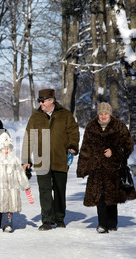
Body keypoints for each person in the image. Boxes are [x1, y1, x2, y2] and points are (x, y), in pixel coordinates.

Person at [21, 88, 80, 230]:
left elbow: (73, 131)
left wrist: (72, 145)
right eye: (39, 101)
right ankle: (47, 220)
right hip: (42, 160)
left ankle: (59, 218)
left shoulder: (65, 114)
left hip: (60, 159)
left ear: (51, 100)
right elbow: (28, 138)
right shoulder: (35, 117)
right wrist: (26, 159)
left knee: (59, 190)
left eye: (43, 101)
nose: (41, 103)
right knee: (45, 191)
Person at [76, 102, 136, 233]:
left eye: (106, 114)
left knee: (112, 196)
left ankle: (112, 222)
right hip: (97, 168)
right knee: (100, 196)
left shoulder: (119, 126)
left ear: (110, 114)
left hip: (114, 168)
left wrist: (114, 152)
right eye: (101, 114)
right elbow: (85, 148)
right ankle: (102, 224)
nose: (103, 116)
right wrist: (82, 168)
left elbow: (129, 145)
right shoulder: (91, 127)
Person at [0, 132, 33, 232]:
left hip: (11, 189)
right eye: (3, 148)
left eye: (8, 148)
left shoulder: (15, 160)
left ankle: (7, 224)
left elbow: (20, 174)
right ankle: (1, 222)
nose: (6, 150)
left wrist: (25, 185)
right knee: (1, 207)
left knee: (9, 208)